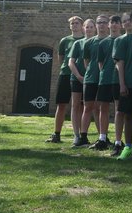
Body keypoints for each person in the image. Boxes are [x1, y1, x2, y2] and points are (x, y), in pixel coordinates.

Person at [112, 10, 132, 159]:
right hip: (129, 83)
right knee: (128, 115)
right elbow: (120, 63)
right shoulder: (125, 40)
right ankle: (128, 147)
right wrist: (122, 84)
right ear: (130, 23)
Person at [46, 16, 84, 144]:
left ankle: (80, 135)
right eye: (72, 23)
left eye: (77, 23)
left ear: (81, 25)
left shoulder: (86, 40)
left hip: (80, 76)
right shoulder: (65, 40)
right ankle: (56, 134)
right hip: (66, 74)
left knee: (79, 106)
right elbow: (61, 57)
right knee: (61, 104)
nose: (74, 25)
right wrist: (65, 68)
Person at [90, 15, 121, 151]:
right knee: (103, 108)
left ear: (120, 25)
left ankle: (118, 140)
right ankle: (102, 138)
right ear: (109, 25)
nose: (114, 25)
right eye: (112, 22)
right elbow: (100, 63)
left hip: (119, 80)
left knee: (119, 110)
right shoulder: (103, 43)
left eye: (117, 22)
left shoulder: (123, 40)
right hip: (105, 80)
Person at [78, 15, 109, 148]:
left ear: (108, 25)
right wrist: (91, 73)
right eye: (99, 23)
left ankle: (103, 137)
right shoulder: (89, 42)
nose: (101, 25)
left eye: (104, 22)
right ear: (96, 25)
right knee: (87, 107)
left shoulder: (111, 41)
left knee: (103, 108)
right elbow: (86, 61)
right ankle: (83, 137)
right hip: (90, 79)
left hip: (105, 80)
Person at [68, 18, 96, 146]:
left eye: (91, 27)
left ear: (95, 29)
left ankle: (88, 134)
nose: (89, 29)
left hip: (92, 80)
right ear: (83, 28)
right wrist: (79, 76)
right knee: (75, 105)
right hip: (77, 78)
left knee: (89, 107)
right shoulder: (78, 43)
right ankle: (76, 135)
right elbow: (71, 62)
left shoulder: (98, 42)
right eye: (87, 27)